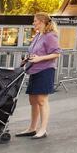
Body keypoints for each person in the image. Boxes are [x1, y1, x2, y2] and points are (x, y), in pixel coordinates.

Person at [20, 12, 62, 140]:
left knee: (42, 100)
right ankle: (32, 128)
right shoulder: (38, 35)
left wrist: (40, 59)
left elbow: (57, 53)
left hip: (45, 70)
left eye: (35, 21)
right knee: (33, 100)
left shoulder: (50, 36)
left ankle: (42, 129)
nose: (33, 23)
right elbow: (34, 53)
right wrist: (26, 59)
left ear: (42, 22)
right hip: (34, 70)